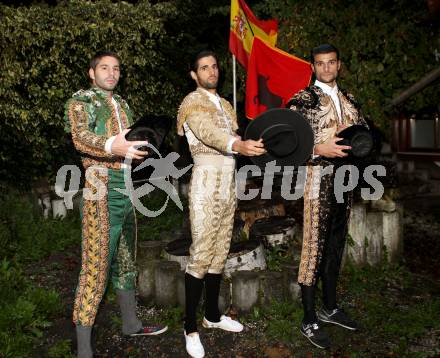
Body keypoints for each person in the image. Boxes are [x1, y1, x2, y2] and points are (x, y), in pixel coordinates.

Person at [65, 51, 167, 358]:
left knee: (126, 262)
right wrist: (113, 144)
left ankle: (131, 324)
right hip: (100, 190)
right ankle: (84, 350)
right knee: (95, 270)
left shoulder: (122, 104)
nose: (111, 73)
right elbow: (80, 137)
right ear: (91, 72)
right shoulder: (81, 101)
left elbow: (131, 146)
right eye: (104, 68)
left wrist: (145, 150)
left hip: (127, 188)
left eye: (116, 68)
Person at [176, 50, 265, 358]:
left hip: (228, 184)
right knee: (200, 254)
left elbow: (238, 135)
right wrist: (237, 144)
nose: (212, 71)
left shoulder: (226, 104)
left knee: (219, 252)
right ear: (194, 74)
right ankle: (189, 328)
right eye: (204, 67)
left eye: (214, 66)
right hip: (204, 185)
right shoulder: (192, 102)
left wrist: (254, 140)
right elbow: (208, 133)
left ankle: (211, 316)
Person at [287, 44, 368, 349]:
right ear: (313, 67)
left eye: (331, 62)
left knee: (335, 245)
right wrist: (317, 148)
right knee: (313, 248)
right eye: (320, 64)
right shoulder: (303, 100)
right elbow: (286, 140)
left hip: (344, 181)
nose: (326, 68)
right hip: (316, 179)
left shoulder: (351, 101)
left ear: (339, 65)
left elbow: (364, 140)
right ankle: (309, 318)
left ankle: (330, 307)